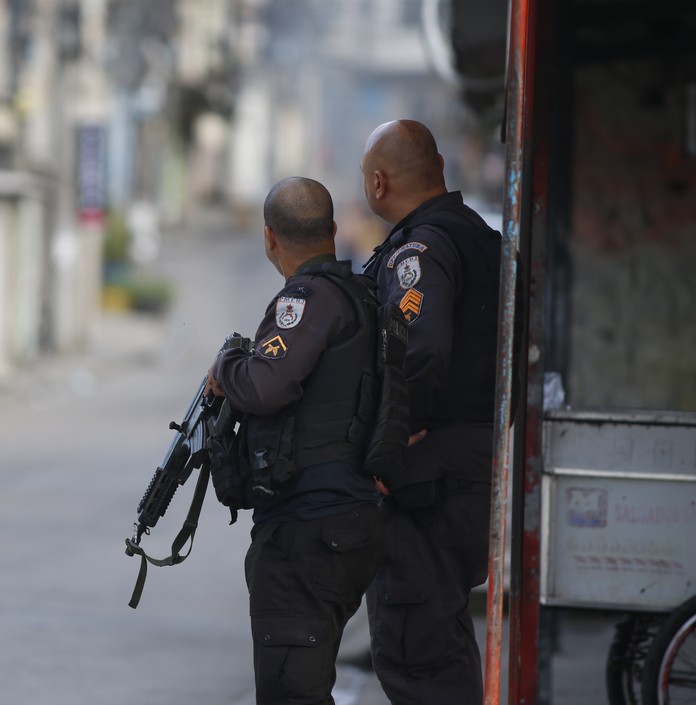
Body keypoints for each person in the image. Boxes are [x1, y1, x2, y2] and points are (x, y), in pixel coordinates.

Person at [206, 176, 396, 705]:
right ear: (333, 230)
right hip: (344, 518)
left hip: (310, 527)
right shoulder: (361, 295)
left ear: (269, 239)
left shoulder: (307, 298)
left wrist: (226, 366)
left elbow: (266, 384)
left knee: (292, 692)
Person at [359, 119, 523, 705]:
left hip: (428, 475)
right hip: (472, 465)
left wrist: (388, 440)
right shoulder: (482, 239)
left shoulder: (420, 249)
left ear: (378, 182)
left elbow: (419, 349)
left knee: (416, 651)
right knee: (441, 638)